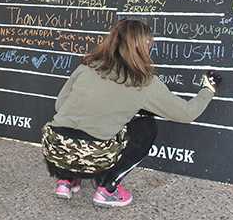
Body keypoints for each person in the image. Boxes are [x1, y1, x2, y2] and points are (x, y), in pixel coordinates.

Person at [42, 19, 220, 208]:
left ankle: (65, 181)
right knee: (145, 126)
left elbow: (60, 105)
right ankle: (107, 189)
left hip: (55, 153)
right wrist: (207, 89)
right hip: (94, 158)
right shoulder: (144, 82)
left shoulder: (88, 66)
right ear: (142, 46)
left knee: (68, 125)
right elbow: (187, 114)